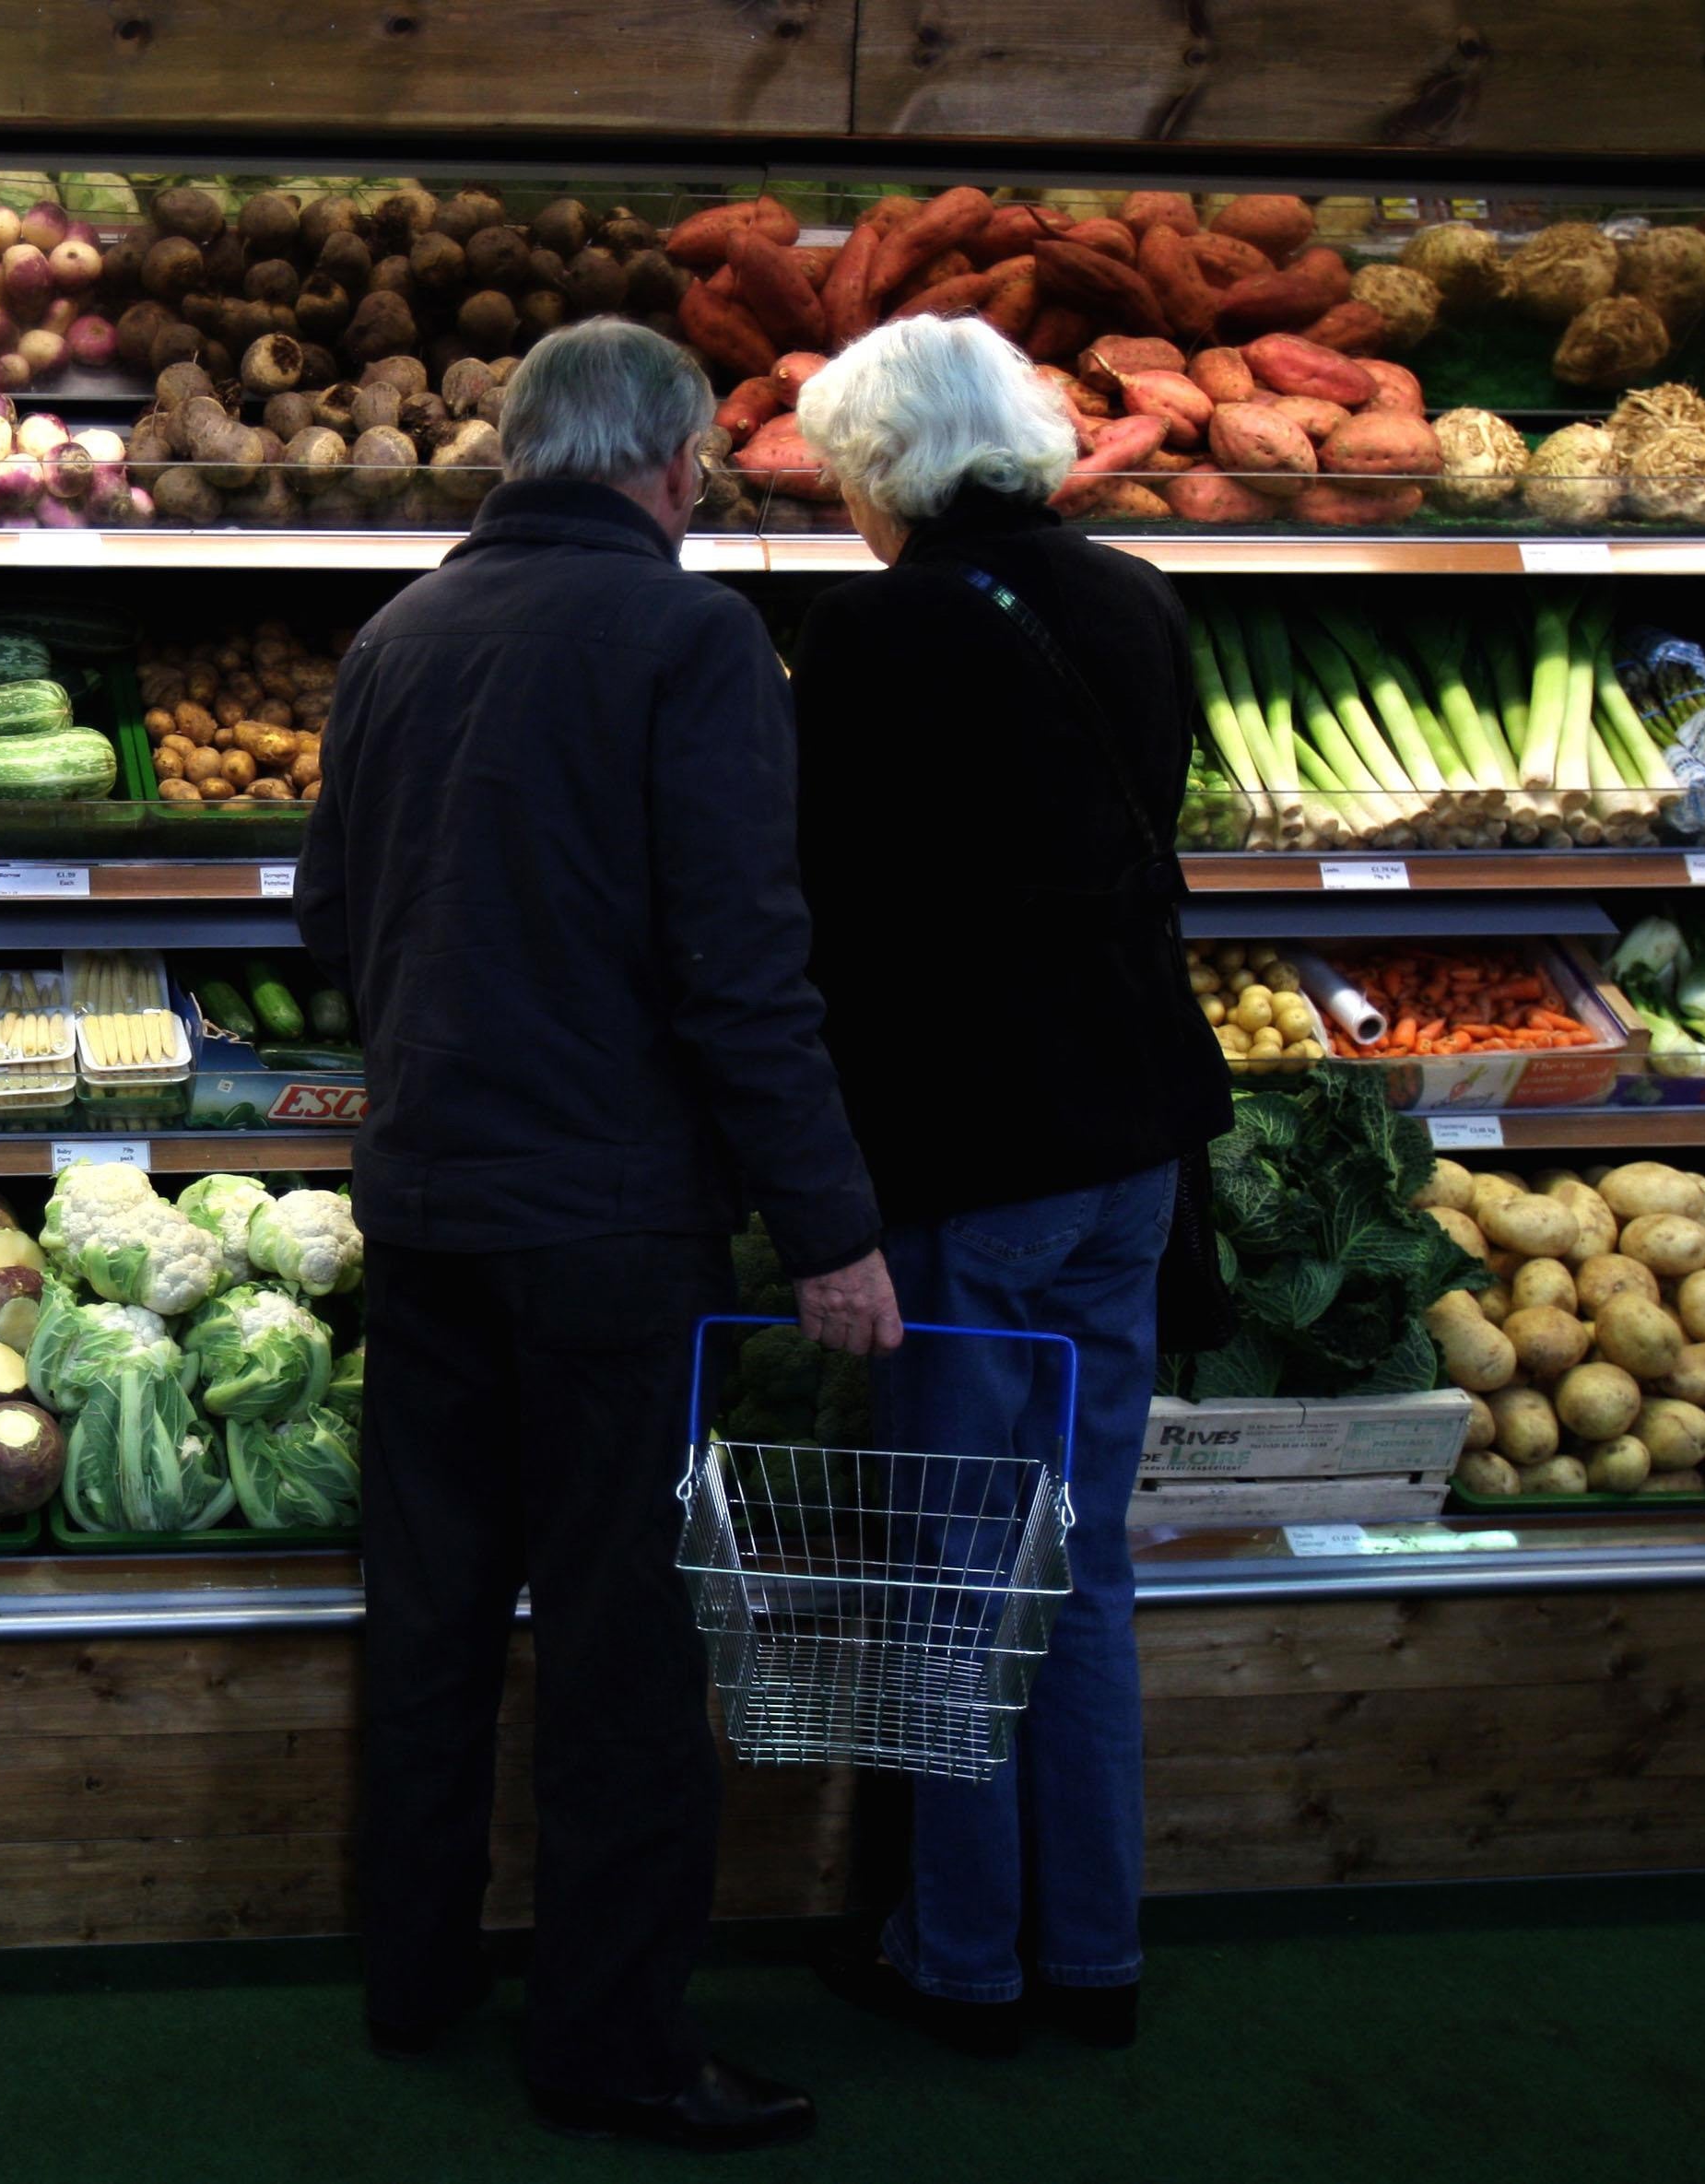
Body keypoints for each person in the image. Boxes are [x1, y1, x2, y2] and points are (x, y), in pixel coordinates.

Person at [296, 317, 898, 2155]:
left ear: (512, 455)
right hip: (608, 1224)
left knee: (434, 1610)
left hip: (426, 1204)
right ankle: (614, 2042)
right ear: (673, 468)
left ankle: (413, 1975)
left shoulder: (397, 637)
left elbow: (328, 921)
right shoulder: (687, 636)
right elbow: (744, 969)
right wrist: (833, 1230)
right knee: (625, 1649)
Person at [785, 315, 1233, 2057]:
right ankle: (1092, 1952)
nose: (841, 511)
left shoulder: (875, 630)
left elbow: (836, 907)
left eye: (841, 479)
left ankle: (961, 1954)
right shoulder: (1133, 594)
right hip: (1129, 1136)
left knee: (960, 1564)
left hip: (979, 1150)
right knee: (1086, 1561)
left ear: (887, 468)